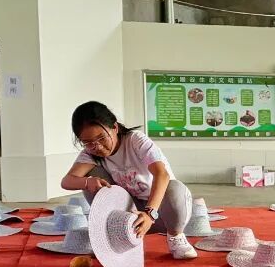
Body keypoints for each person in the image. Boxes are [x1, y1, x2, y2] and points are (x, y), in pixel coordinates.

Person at [60, 101, 197, 259]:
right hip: (132, 216)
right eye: (88, 142)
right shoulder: (90, 154)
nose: (97, 147)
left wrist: (149, 214)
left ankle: (175, 236)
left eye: (101, 138)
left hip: (162, 212)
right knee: (91, 175)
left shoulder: (135, 140)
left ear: (115, 127)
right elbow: (66, 181)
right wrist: (87, 182)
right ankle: (118, 235)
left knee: (174, 188)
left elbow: (162, 174)